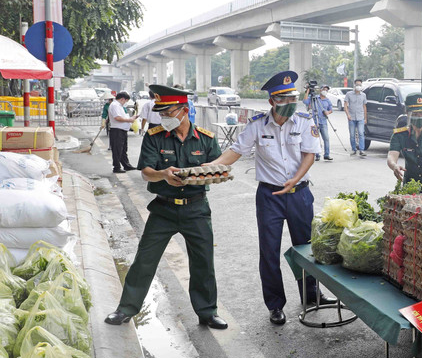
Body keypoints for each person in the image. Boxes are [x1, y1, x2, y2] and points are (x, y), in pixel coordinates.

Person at [211, 71, 336, 325]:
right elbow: (236, 151)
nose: (290, 104)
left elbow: (309, 155)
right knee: (269, 251)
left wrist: (295, 178)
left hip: (299, 194)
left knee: (307, 248)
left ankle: (312, 295)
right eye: (284, 100)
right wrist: (210, 166)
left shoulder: (303, 121)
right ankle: (275, 305)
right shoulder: (257, 125)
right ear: (272, 102)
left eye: (293, 98)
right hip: (269, 196)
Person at [104, 85, 227, 329]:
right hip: (164, 209)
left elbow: (219, 166)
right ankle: (126, 308)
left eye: (168, 113)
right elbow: (146, 172)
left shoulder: (206, 138)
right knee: (145, 260)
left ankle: (207, 312)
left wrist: (212, 174)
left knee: (203, 262)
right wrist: (163, 174)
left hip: (196, 209)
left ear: (184, 110)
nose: (164, 118)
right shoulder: (154, 136)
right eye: (161, 114)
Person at [108, 92, 137, 173]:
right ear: (122, 99)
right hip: (117, 130)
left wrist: (131, 118)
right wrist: (130, 120)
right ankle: (116, 167)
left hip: (122, 130)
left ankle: (126, 165)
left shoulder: (119, 106)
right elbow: (117, 118)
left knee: (123, 149)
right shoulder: (115, 105)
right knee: (117, 150)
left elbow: (122, 117)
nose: (125, 103)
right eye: (126, 101)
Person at [305, 82, 333, 161]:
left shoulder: (327, 100)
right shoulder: (315, 98)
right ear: (320, 90)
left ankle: (327, 154)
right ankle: (317, 154)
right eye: (324, 89)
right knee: (316, 139)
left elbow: (331, 110)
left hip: (323, 121)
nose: (325, 91)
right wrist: (308, 91)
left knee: (326, 138)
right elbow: (305, 101)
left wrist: (328, 112)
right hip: (314, 121)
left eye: (327, 90)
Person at [343, 78, 367, 157]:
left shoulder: (363, 95)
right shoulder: (349, 94)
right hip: (351, 118)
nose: (358, 86)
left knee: (361, 133)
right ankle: (354, 149)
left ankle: (362, 150)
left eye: (360, 85)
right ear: (354, 85)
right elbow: (345, 105)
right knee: (352, 135)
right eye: (357, 85)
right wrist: (348, 115)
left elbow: (364, 107)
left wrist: (365, 118)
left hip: (360, 117)